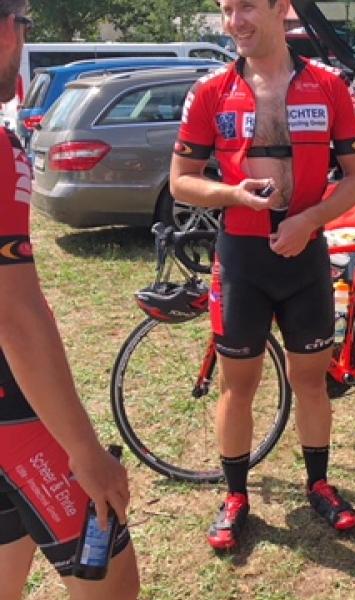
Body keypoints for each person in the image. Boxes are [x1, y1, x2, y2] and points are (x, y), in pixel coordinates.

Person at [170, 0, 355, 551]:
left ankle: (319, 484)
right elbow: (182, 180)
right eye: (226, 9)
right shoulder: (210, 91)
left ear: (281, 7)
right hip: (242, 259)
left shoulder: (329, 87)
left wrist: (309, 221)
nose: (234, 21)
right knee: (239, 386)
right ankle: (235, 496)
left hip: (305, 258)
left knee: (311, 380)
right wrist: (232, 194)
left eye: (247, 7)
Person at [0, 3, 140, 598]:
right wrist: (85, 451)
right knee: (114, 584)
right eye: (24, 22)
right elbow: (13, 314)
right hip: (14, 417)